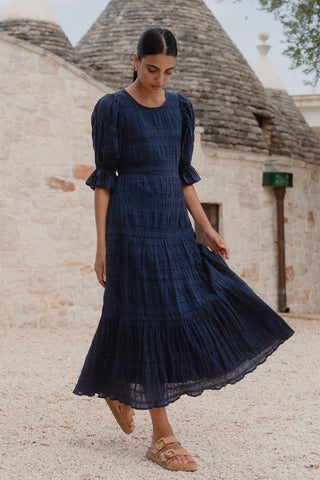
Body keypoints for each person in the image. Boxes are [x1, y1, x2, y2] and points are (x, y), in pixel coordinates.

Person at [73, 27, 294, 472]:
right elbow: (104, 181)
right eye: (152, 69)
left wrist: (206, 229)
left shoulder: (181, 108)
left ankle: (118, 388)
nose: (160, 79)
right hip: (130, 226)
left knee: (183, 304)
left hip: (172, 225)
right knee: (151, 315)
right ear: (135, 61)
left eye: (169, 71)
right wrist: (101, 245)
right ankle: (162, 435)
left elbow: (182, 175)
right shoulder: (112, 108)